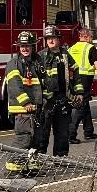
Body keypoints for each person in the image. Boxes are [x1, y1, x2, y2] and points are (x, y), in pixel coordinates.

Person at [3, 30, 41, 175]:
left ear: (33, 47)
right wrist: (25, 103)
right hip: (22, 109)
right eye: (22, 46)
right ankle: (13, 169)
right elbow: (14, 86)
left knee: (34, 140)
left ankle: (30, 167)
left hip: (34, 109)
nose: (25, 49)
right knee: (23, 139)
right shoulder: (14, 64)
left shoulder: (35, 62)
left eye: (28, 46)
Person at [36, 25, 75, 158]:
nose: (50, 41)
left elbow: (76, 74)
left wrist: (78, 92)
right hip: (46, 102)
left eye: (53, 38)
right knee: (42, 132)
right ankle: (40, 158)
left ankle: (61, 158)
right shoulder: (40, 56)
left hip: (63, 99)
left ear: (59, 39)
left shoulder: (65, 55)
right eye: (48, 38)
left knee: (63, 132)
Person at [67, 24, 97, 143]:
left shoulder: (71, 48)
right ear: (86, 36)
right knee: (81, 106)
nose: (92, 39)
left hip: (74, 79)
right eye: (91, 37)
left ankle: (89, 131)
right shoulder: (90, 48)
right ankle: (71, 134)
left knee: (85, 103)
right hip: (85, 79)